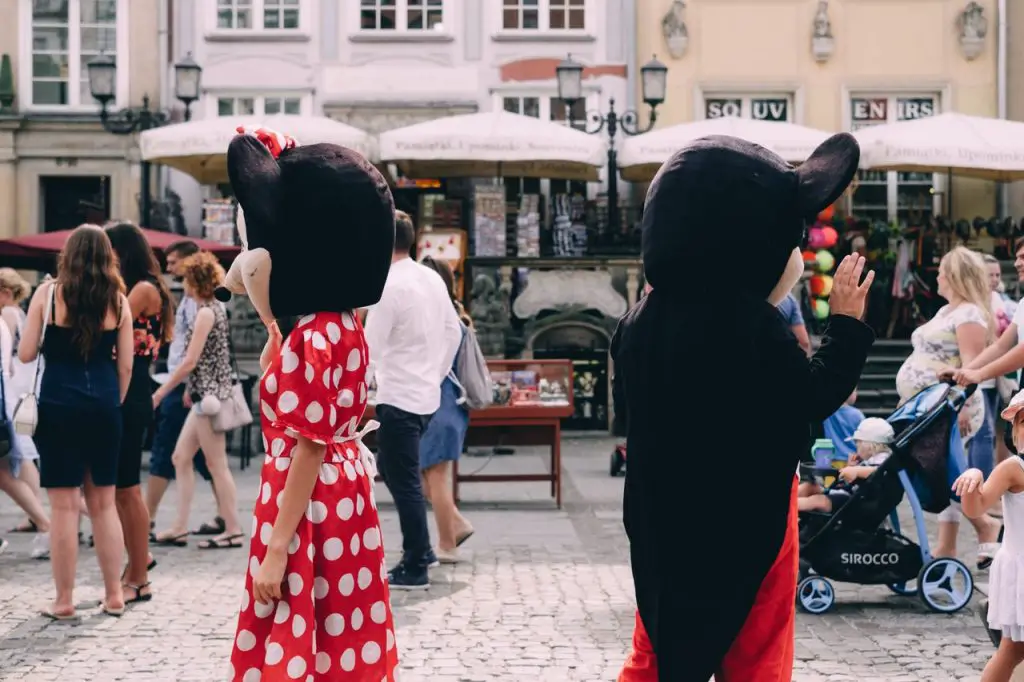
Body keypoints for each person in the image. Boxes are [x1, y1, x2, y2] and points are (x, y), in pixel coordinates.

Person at [614, 133, 873, 681]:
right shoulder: (753, 325)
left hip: (663, 518)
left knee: (659, 644)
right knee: (756, 647)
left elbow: (628, 417)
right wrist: (846, 324)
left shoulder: (637, 322)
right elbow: (813, 396)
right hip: (746, 515)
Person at [217, 127, 398, 681]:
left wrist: (275, 548)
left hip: (309, 501)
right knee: (340, 628)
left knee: (296, 618)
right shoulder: (341, 325)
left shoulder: (312, 338)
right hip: (343, 497)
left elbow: (308, 447)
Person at [19, 224, 133, 619]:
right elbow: (127, 366)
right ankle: (115, 594)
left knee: (64, 507)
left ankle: (64, 600)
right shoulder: (119, 300)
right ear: (107, 256)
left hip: (58, 403)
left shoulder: (48, 294)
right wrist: (111, 403)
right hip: (103, 403)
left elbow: (26, 353)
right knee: (104, 505)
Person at [364, 210, 462, 590]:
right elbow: (452, 332)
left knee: (402, 480)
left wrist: (357, 392)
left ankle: (417, 560)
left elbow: (368, 350)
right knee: (393, 468)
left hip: (399, 395)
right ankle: (423, 549)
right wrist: (434, 376)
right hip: (423, 394)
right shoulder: (431, 279)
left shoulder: (386, 285)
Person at [897, 246, 1001, 567]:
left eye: (942, 269)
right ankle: (948, 547)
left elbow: (970, 364)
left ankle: (984, 525)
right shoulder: (946, 312)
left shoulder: (969, 314)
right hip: (930, 406)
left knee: (945, 472)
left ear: (955, 275)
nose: (937, 275)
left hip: (953, 406)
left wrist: (963, 407)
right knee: (940, 472)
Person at [151, 252, 242, 549]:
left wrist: (162, 392)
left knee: (217, 465)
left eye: (187, 280)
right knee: (181, 458)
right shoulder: (214, 309)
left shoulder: (206, 312)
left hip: (209, 397)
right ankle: (180, 526)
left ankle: (232, 529)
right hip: (205, 395)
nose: (184, 285)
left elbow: (191, 360)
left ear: (196, 281)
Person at [106, 222, 173, 602]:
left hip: (132, 390)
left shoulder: (143, 289)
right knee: (119, 488)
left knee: (127, 488)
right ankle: (138, 559)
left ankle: (138, 576)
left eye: (110, 250)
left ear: (123, 251)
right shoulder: (138, 287)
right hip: (130, 389)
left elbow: (111, 325)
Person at [145, 241, 223, 537]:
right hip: (187, 385)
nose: (169, 267)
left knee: (166, 451)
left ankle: (149, 519)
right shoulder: (195, 302)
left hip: (187, 387)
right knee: (196, 458)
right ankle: (225, 518)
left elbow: (194, 357)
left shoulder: (206, 306)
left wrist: (165, 391)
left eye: (174, 261)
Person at [953, 431, 1024, 682]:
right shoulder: (1014, 468)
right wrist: (974, 477)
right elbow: (976, 507)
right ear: (1014, 433)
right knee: (1012, 649)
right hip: (1021, 570)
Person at [418, 256, 475, 564]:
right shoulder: (455, 315)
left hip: (438, 403)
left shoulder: (440, 321)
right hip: (449, 403)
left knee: (435, 477)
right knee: (427, 475)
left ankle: (447, 543)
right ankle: (455, 524)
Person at [0, 268, 47, 536]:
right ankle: (38, 514)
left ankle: (39, 515)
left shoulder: (7, 314)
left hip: (13, 389)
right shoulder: (18, 312)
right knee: (23, 454)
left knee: (23, 453)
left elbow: (7, 359)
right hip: (20, 387)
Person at [798, 417, 894, 513]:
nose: (856, 446)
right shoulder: (869, 459)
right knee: (810, 487)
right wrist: (851, 466)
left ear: (868, 445)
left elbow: (881, 470)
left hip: (853, 499)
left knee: (818, 500)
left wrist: (856, 470)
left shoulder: (883, 458)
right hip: (843, 491)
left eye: (857, 442)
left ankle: (791, 507)